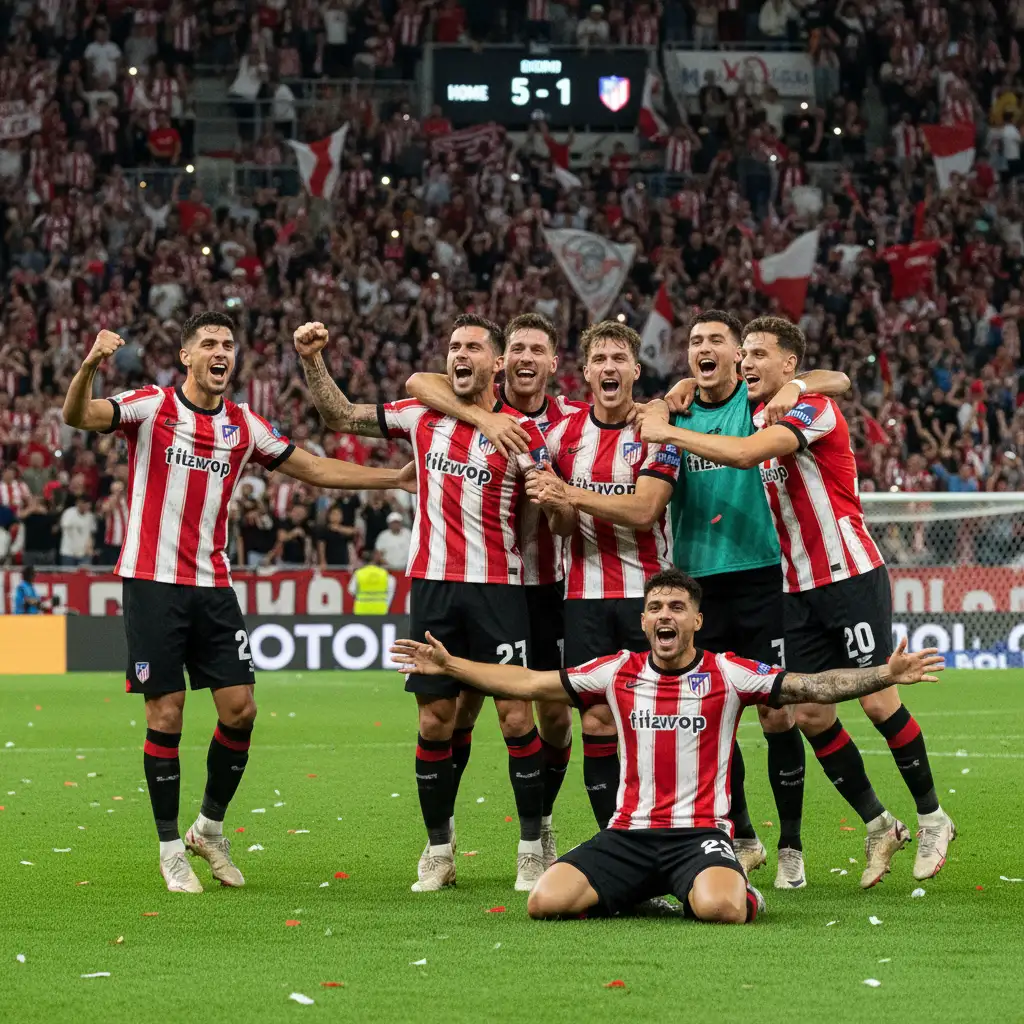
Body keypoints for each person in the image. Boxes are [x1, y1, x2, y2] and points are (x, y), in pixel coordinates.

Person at [61, 313, 416, 895]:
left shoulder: (244, 425)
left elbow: (316, 469)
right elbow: (80, 415)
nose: (220, 351)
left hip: (213, 585)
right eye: (209, 344)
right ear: (186, 356)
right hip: (152, 582)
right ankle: (171, 848)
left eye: (228, 344)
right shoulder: (151, 407)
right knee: (166, 713)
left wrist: (390, 479)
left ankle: (209, 828)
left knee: (240, 710)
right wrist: (89, 366)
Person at [391, 568, 945, 922]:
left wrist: (881, 675)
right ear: (644, 619)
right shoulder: (616, 671)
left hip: (699, 836)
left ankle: (730, 885)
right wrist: (451, 665)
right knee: (545, 902)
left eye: (677, 608)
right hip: (628, 834)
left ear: (696, 621)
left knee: (721, 909)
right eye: (656, 607)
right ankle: (642, 888)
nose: (665, 616)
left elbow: (810, 686)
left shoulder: (730, 673)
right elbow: (529, 683)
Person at [637, 315, 955, 886]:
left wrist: (675, 431)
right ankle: (880, 824)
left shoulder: (806, 410)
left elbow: (771, 435)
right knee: (809, 711)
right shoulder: (758, 407)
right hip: (796, 588)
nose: (748, 363)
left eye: (760, 354)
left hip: (848, 574)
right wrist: (673, 397)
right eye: (747, 354)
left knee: (878, 702)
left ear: (788, 364)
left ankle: (933, 817)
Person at [295, 314, 553, 893]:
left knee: (516, 715)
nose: (460, 355)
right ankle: (439, 850)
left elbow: (541, 514)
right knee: (435, 719)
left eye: (473, 348)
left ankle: (532, 848)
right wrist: (313, 360)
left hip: (497, 589)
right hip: (433, 588)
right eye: (454, 347)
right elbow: (341, 415)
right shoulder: (422, 415)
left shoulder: (523, 433)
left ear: (498, 363)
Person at [654, 309, 851, 888]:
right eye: (695, 342)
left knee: (775, 711)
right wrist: (668, 400)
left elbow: (835, 380)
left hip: (764, 575)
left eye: (717, 340)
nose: (704, 348)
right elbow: (653, 421)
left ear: (740, 355)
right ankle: (741, 835)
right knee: (712, 711)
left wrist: (794, 381)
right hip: (698, 582)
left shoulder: (760, 401)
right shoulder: (678, 407)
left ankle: (791, 845)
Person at [405, 312, 586, 867]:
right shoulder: (475, 413)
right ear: (502, 363)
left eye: (539, 350)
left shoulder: (568, 422)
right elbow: (419, 382)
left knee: (549, 716)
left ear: (553, 363)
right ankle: (442, 842)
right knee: (456, 712)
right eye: (520, 349)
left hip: (547, 588)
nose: (528, 359)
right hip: (489, 582)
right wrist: (479, 419)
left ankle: (542, 827)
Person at [523, 321, 681, 831]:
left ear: (634, 370)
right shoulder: (562, 437)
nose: (609, 367)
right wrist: (554, 504)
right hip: (584, 597)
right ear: (586, 372)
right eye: (600, 360)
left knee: (657, 718)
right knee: (594, 718)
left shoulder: (657, 431)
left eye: (619, 359)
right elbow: (563, 525)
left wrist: (567, 492)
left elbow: (644, 511)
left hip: (649, 597)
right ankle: (611, 839)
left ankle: (679, 825)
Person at [348, 548, 397, 613]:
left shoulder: (358, 573)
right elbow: (390, 591)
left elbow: (351, 590)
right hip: (380, 610)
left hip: (361, 609)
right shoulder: (386, 575)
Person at [58, 495, 96, 566]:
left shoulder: (90, 516)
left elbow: (91, 533)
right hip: (68, 553)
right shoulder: (69, 513)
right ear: (79, 503)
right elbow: (64, 526)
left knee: (84, 576)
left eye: (89, 504)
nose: (87, 506)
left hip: (84, 554)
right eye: (84, 504)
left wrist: (90, 546)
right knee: (68, 576)